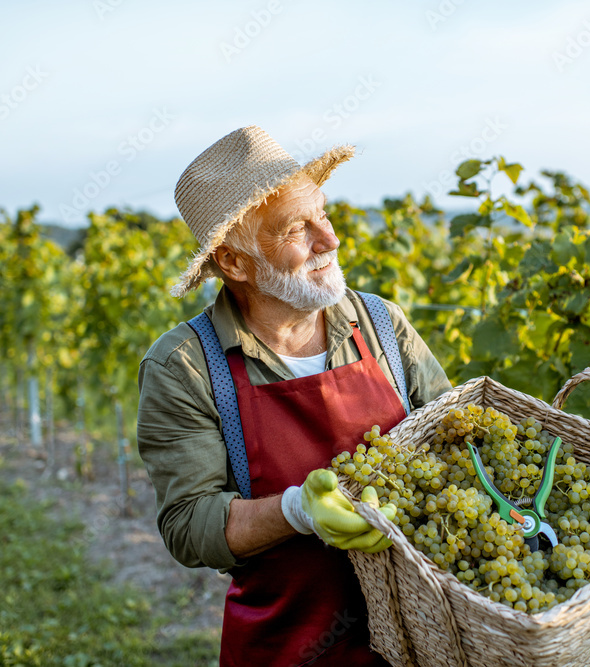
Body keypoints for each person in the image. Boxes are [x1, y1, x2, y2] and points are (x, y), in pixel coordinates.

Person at [136, 125, 451, 666]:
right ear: (234, 263)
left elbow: (454, 441)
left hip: (419, 644)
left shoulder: (382, 325)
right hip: (286, 650)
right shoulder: (186, 366)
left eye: (323, 215)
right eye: (296, 229)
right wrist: (296, 510)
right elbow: (189, 526)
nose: (328, 241)